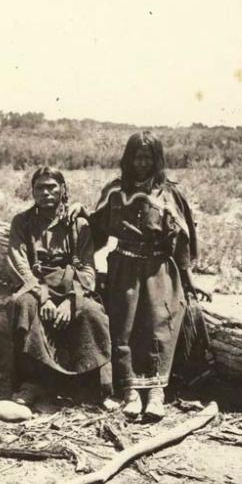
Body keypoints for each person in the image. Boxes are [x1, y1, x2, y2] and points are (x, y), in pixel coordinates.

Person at [71, 131, 211, 420]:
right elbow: (95, 229)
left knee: (160, 325)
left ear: (157, 159)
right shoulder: (114, 190)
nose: (142, 162)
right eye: (137, 156)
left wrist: (188, 280)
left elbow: (181, 242)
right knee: (123, 327)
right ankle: (131, 391)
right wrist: (73, 218)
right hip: (123, 268)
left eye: (148, 157)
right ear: (128, 158)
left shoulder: (168, 194)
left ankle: (157, 393)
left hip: (160, 270)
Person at [6, 166, 118, 411]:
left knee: (91, 312)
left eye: (52, 187)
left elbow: (88, 268)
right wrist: (42, 295)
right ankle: (32, 383)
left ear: (63, 189)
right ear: (32, 192)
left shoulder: (78, 224)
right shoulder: (21, 222)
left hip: (72, 284)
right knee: (21, 305)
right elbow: (18, 263)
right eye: (39, 188)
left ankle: (98, 387)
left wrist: (71, 299)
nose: (46, 193)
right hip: (37, 285)